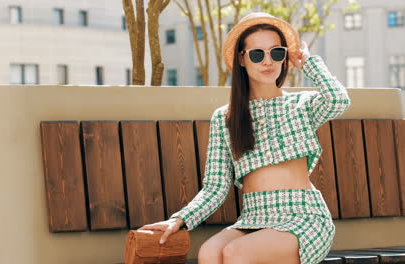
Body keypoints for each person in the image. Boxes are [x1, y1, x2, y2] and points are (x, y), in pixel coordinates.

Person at [138, 12, 351, 264]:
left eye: (277, 52)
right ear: (242, 58)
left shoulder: (301, 105)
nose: (268, 61)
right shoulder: (226, 118)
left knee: (236, 253)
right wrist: (179, 219)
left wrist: (308, 64)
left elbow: (338, 100)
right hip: (254, 218)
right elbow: (215, 188)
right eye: (257, 54)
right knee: (209, 252)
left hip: (303, 217)